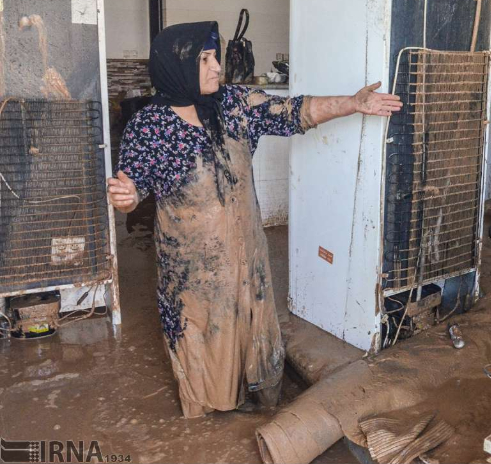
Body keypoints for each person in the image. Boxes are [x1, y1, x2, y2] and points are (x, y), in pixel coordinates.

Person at [107, 22, 401, 418]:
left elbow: (296, 112)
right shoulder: (150, 126)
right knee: (203, 336)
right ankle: (208, 409)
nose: (217, 67)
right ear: (177, 66)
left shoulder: (235, 104)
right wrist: (126, 198)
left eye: (215, 57)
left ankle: (257, 395)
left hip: (248, 254)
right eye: (205, 60)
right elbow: (131, 189)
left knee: (253, 326)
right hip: (194, 271)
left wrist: (353, 102)